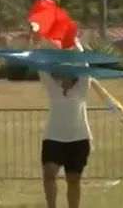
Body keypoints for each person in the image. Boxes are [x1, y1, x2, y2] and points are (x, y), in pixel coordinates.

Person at [38, 42, 92, 208]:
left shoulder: (81, 88)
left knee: (73, 180)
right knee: (49, 174)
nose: (64, 74)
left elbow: (84, 64)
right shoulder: (54, 89)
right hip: (54, 139)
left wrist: (74, 42)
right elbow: (41, 69)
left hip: (78, 140)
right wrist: (39, 44)